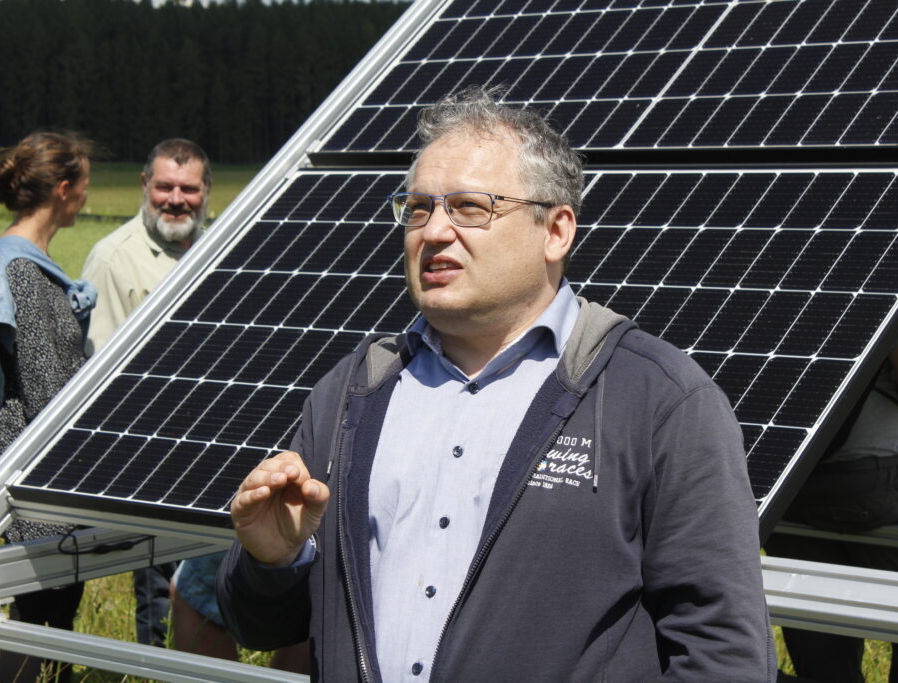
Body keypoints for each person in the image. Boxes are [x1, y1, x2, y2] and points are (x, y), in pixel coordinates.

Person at [216, 87, 775, 681]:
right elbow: (262, 628)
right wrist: (272, 561)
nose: (432, 232)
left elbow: (724, 652)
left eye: (469, 208)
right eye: (418, 208)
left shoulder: (658, 401)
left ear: (556, 231)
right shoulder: (353, 393)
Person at [0, 131, 95, 683]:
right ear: (63, 190)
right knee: (39, 610)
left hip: (36, 460)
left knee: (49, 609)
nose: (86, 195)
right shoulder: (22, 269)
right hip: (33, 466)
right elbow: (42, 383)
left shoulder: (26, 261)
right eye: (83, 185)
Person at [80, 138, 225, 652]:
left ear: (207, 191)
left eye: (188, 188)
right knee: (160, 591)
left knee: (207, 585)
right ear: (145, 186)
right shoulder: (114, 258)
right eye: (164, 187)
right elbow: (96, 371)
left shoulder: (223, 247)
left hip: (216, 446)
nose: (176, 199)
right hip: (150, 453)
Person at [766, 304, 898, 683]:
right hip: (871, 480)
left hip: (783, 481)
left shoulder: (748, 265)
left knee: (815, 620)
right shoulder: (883, 264)